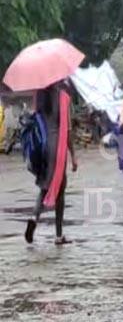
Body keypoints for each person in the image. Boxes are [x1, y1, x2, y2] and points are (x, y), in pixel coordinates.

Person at [25, 81, 78, 245]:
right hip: (57, 149)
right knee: (60, 190)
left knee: (45, 186)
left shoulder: (39, 95)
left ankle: (34, 217)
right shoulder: (63, 98)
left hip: (43, 147)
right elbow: (67, 131)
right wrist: (73, 155)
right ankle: (58, 235)